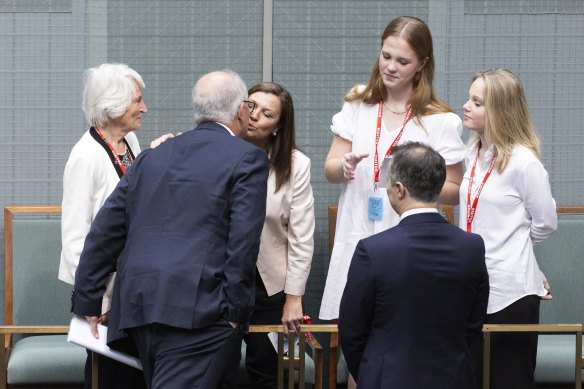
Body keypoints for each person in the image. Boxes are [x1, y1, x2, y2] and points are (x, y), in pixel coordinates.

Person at [70, 69, 269, 389]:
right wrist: (235, 314)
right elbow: (243, 242)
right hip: (200, 316)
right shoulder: (247, 158)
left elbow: (105, 230)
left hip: (139, 308)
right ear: (239, 110)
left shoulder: (152, 156)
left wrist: (88, 302)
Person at [319, 17, 466, 386]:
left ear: (422, 64)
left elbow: (455, 189)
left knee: (403, 346)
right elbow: (330, 170)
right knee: (358, 346)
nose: (391, 67)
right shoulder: (358, 104)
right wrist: (346, 166)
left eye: (402, 61)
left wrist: (419, 183)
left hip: (410, 249)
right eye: (386, 56)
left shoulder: (441, 120)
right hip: (360, 238)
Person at [338, 142, 488, 389]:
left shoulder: (373, 250)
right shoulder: (472, 247)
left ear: (399, 189)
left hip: (387, 379)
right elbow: (473, 324)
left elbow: (352, 330)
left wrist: (371, 371)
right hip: (454, 378)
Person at [460, 68, 557, 388]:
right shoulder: (472, 153)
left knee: (509, 378)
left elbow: (546, 223)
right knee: (471, 375)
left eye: (477, 102)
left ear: (500, 111)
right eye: (469, 98)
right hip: (472, 284)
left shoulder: (524, 162)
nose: (466, 106)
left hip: (510, 292)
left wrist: (516, 252)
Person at [58, 62, 147, 389]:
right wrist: (94, 300)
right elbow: (75, 238)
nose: (144, 108)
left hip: (130, 287)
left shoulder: (131, 143)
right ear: (113, 106)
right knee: (108, 376)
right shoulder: (85, 157)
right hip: (104, 291)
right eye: (137, 100)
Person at [242, 82, 315, 388]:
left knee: (266, 371)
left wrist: (293, 298)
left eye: (266, 113)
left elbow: (301, 236)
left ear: (278, 126)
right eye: (250, 106)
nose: (254, 116)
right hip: (218, 280)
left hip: (267, 282)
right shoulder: (220, 150)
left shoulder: (296, 165)